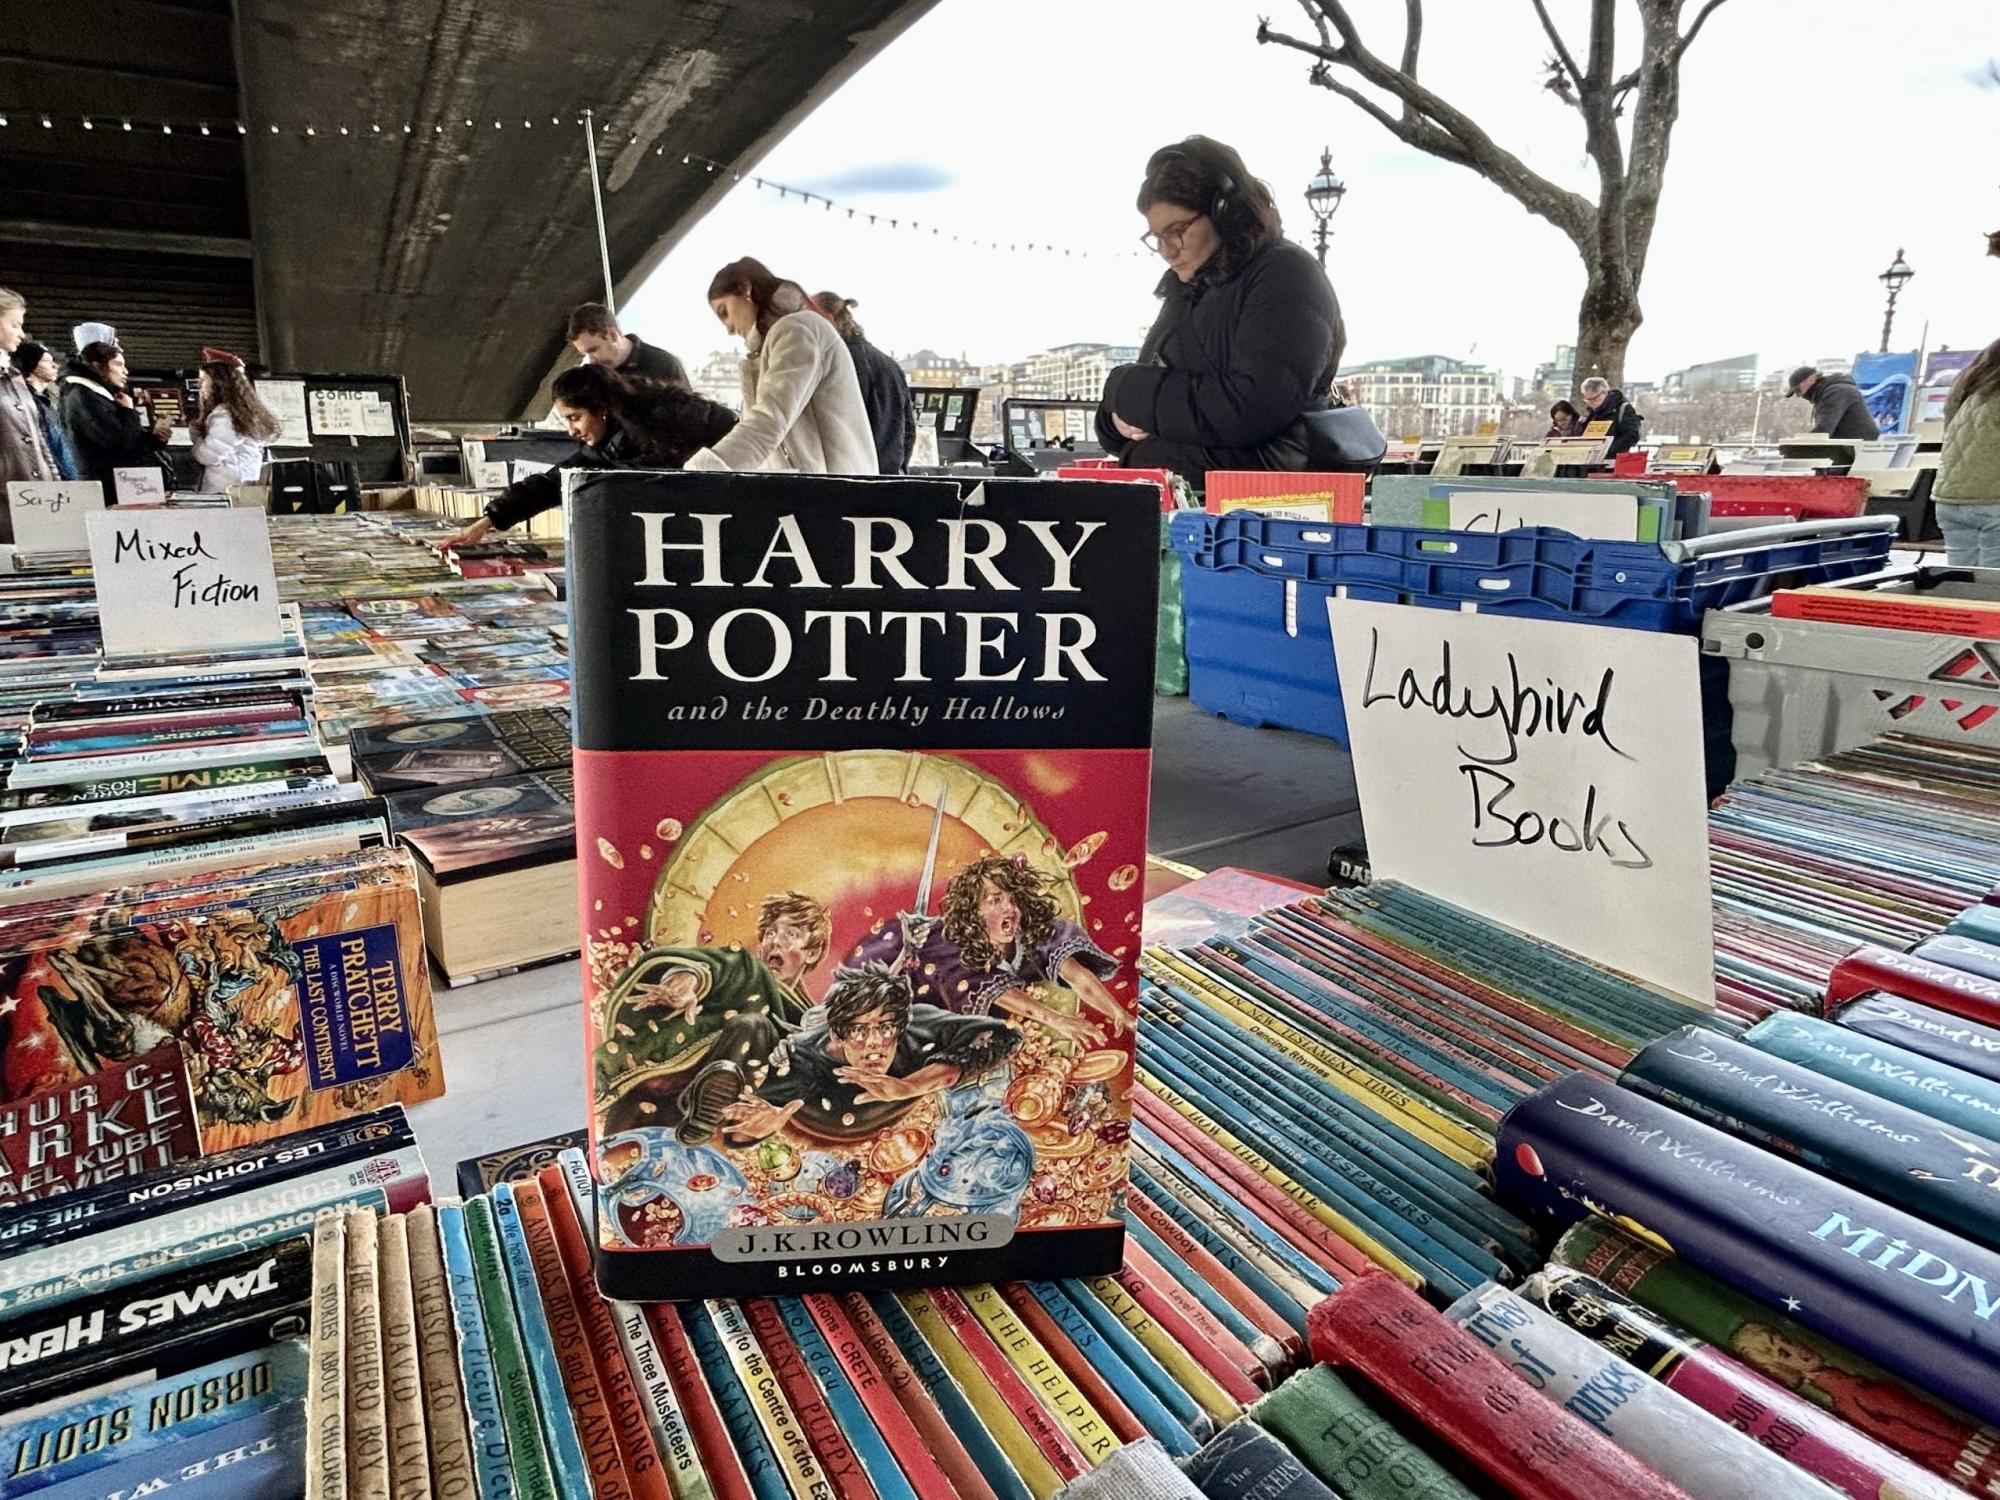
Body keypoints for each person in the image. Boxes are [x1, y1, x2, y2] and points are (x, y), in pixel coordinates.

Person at [1094, 136, 1343, 486]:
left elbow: (1245, 410)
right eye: (1156, 236)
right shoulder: (1188, 287)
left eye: (1177, 231)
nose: (1166, 249)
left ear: (1226, 213)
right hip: (1198, 499)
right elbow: (1154, 387)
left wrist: (1122, 388)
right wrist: (1115, 418)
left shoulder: (1286, 275)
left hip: (1266, 506)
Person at [692, 961, 1021, 1148]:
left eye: (886, 1028)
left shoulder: (917, 1023)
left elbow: (1004, 1036)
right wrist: (758, 1128)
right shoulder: (804, 1057)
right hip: (831, 1133)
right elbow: (742, 1129)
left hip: (901, 1131)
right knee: (751, 1029)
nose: (875, 1042)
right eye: (860, 1031)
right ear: (838, 1031)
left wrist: (915, 1084)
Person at [593, 892, 833, 1138]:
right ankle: (716, 1095)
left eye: (791, 934)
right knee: (754, 1026)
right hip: (657, 1089)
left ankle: (712, 1107)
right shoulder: (748, 968)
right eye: (770, 933)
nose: (775, 941)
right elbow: (715, 965)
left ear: (812, 953)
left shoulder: (810, 1021)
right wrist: (684, 981)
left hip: (714, 1124)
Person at [847, 854, 1127, 1048]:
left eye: (1013, 900)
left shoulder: (1034, 931)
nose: (1008, 908)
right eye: (995, 901)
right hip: (890, 974)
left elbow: (1077, 976)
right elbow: (989, 986)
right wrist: (1056, 1019)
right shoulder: (952, 946)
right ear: (974, 913)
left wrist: (1117, 1012)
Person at [444, 363, 738, 546]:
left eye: (574, 417)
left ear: (602, 408)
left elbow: (738, 430)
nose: (571, 430)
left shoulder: (676, 414)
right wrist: (488, 521)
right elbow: (553, 482)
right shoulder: (608, 445)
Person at [685, 257, 877, 475]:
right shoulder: (786, 335)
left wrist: (699, 473)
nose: (728, 328)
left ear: (746, 289)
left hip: (830, 495)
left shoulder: (797, 329)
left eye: (724, 312)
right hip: (826, 493)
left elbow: (768, 423)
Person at [814, 291, 915, 475]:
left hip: (848, 478)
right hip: (889, 477)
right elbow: (908, 429)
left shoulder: (832, 363)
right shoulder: (890, 365)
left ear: (828, 319)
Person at [59, 340, 171, 497]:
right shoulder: (83, 396)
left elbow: (126, 438)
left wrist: (153, 439)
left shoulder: (95, 395)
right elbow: (121, 443)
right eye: (118, 365)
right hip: (110, 488)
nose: (125, 371)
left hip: (119, 484)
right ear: (97, 365)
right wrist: (128, 411)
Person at [1933, 339, 2000, 566]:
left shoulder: (1965, 387)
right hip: (1993, 500)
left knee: (1960, 578)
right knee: (1992, 586)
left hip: (1951, 499)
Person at [0, 292, 59, 526]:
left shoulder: (14, 377)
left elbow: (38, 443)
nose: (21, 334)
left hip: (36, 501)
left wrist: (55, 489)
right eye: (14, 325)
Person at [189, 352, 280, 492]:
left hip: (225, 489)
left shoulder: (224, 416)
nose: (200, 386)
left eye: (204, 380)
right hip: (244, 487)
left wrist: (197, 438)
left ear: (219, 383)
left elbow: (208, 455)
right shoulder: (245, 413)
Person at [564, 303, 688, 388]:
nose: (591, 359)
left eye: (593, 350)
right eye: (586, 354)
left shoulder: (664, 364)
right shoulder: (595, 376)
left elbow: (689, 418)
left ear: (612, 335)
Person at [9, 338, 76, 481]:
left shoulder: (43, 401)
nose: (55, 366)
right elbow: (45, 447)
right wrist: (64, 477)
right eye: (47, 361)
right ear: (32, 365)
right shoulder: (29, 402)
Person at [1788, 366, 1881, 440]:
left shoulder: (1836, 393)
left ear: (1810, 380)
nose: (1798, 395)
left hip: (1860, 453)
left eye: (1798, 390)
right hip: (1855, 449)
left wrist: (1798, 444)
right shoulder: (1827, 393)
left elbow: (1823, 430)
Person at [1578, 377, 1644, 455]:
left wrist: (1607, 451)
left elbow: (1631, 435)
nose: (1591, 403)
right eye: (1588, 400)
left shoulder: (1622, 408)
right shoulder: (1592, 413)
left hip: (1614, 460)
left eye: (1594, 398)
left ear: (1604, 393)